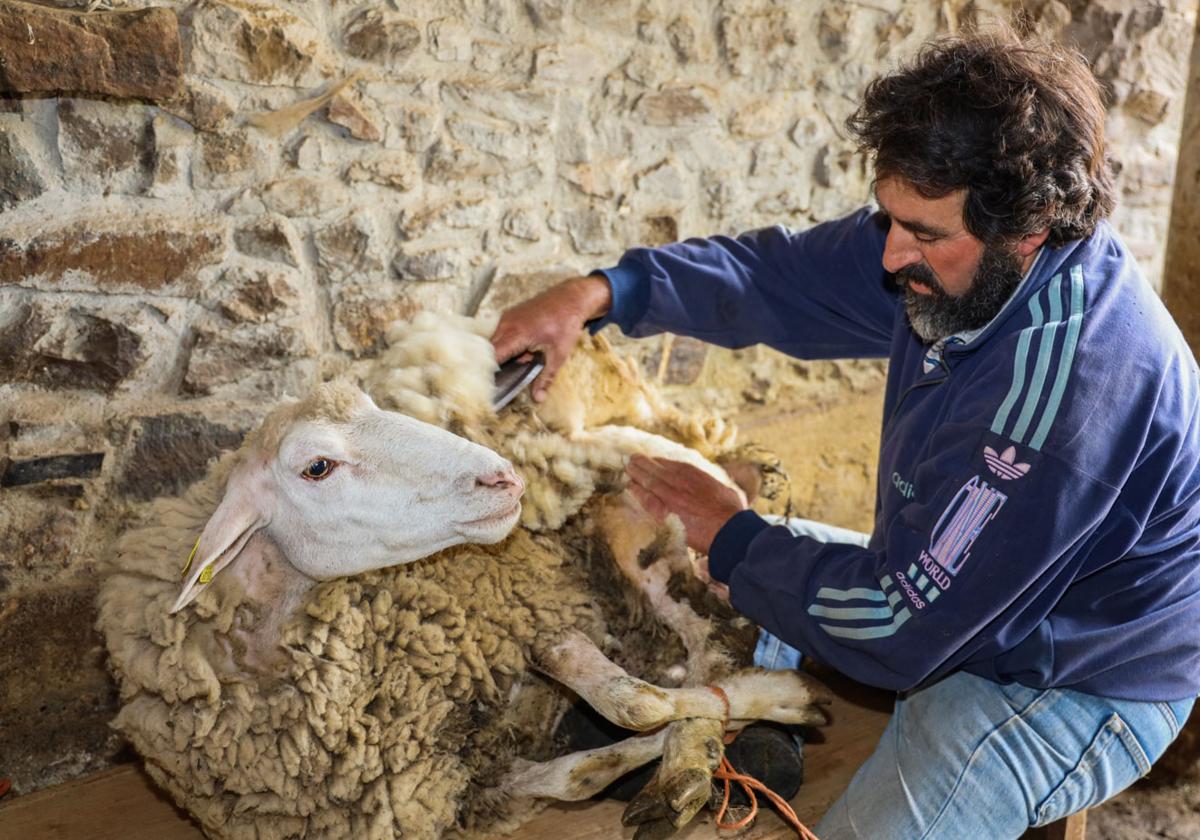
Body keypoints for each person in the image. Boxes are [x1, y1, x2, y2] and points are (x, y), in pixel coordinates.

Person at [491, 28, 1200, 839]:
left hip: (1067, 672)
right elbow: (777, 279)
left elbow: (905, 629)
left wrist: (734, 537)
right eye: (889, 218)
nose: (893, 254)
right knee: (693, 581)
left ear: (1030, 227)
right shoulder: (961, 259)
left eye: (924, 234)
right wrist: (598, 294)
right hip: (960, 582)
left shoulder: (1056, 401)